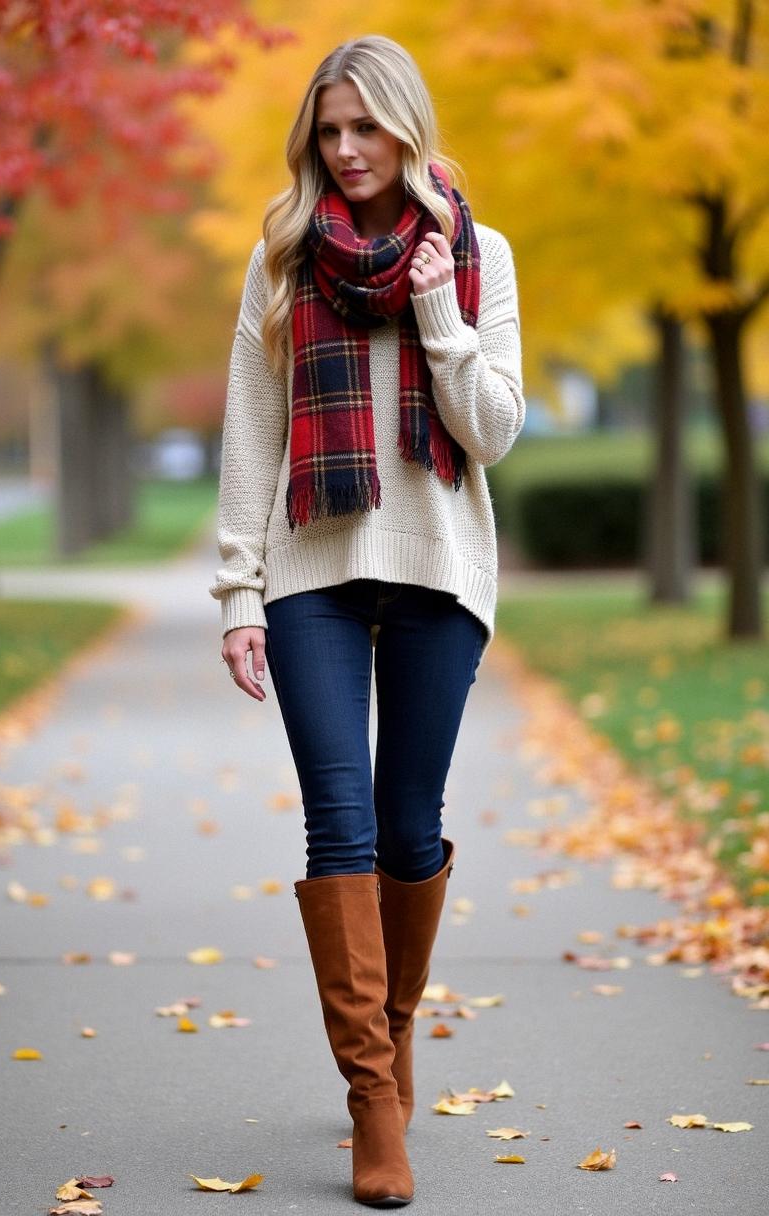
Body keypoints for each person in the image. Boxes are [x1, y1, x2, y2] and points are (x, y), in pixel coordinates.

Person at [210, 33, 525, 1209]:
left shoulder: (480, 256)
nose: (345, 150)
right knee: (337, 822)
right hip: (313, 573)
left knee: (408, 826)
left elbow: (492, 430)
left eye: (364, 128)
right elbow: (252, 429)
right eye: (328, 131)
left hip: (438, 569)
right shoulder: (283, 257)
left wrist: (439, 313)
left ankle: (388, 1041)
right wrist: (238, 592)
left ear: (406, 128)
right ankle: (372, 1102)